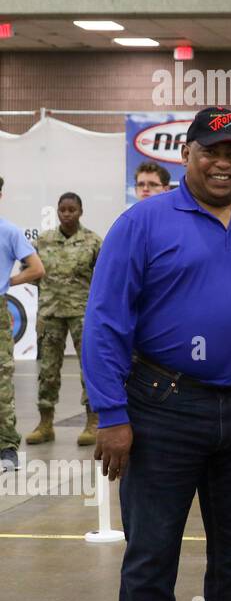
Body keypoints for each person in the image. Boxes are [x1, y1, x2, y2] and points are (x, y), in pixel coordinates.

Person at [82, 107, 231, 601]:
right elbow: (105, 322)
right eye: (211, 151)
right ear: (187, 156)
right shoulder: (143, 223)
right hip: (161, 411)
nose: (223, 163)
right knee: (151, 559)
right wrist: (111, 414)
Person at [25, 192, 100, 447]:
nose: (67, 214)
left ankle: (93, 422)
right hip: (50, 314)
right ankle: (45, 423)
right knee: (47, 371)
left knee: (89, 368)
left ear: (81, 211)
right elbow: (31, 273)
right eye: (63, 210)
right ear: (57, 211)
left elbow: (102, 277)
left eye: (72, 210)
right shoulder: (43, 241)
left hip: (83, 313)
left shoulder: (92, 241)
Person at [0, 177, 45, 472]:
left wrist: (8, 281)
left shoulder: (9, 231)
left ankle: (6, 448)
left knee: (1, 381)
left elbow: (37, 267)